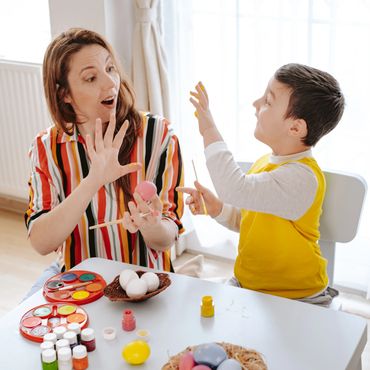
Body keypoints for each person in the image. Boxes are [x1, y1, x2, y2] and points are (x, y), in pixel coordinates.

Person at [24, 28, 184, 295]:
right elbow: (41, 242)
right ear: (64, 94)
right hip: (81, 288)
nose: (110, 84)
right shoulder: (46, 148)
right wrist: (92, 181)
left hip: (147, 286)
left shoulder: (158, 135)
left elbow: (167, 237)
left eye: (111, 68)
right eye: (91, 77)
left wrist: (153, 224)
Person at [177, 64, 345, 305]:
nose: (256, 104)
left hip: (297, 297)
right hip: (250, 286)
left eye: (267, 101)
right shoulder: (264, 163)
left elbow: (235, 188)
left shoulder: (303, 178)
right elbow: (250, 221)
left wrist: (209, 129)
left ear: (296, 127)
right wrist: (218, 209)